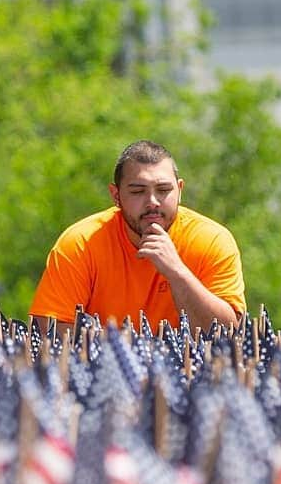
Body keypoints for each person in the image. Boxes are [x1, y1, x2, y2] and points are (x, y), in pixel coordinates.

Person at [29, 140, 246, 337]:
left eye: (163, 190)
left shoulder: (212, 240)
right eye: (137, 191)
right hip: (102, 373)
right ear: (116, 195)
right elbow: (46, 328)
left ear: (179, 190)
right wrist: (127, 350)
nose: (152, 201)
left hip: (194, 374)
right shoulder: (81, 242)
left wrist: (177, 272)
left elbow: (231, 334)